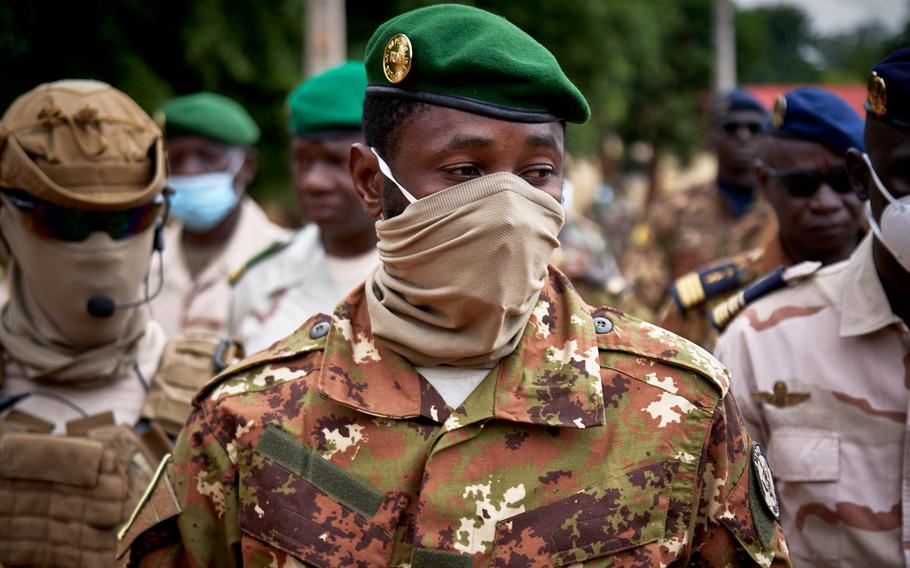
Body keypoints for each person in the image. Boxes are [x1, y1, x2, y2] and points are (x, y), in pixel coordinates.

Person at [120, 5, 790, 567]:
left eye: (537, 174)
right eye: (466, 171)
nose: (507, 204)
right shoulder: (252, 418)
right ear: (370, 181)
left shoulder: (676, 408)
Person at [714, 48, 910, 566]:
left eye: (830, 186)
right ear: (865, 179)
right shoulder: (759, 339)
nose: (823, 203)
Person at [0, 80, 172, 567]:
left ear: (159, 227)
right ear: (6, 220)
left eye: (127, 221)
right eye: (65, 222)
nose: (100, 248)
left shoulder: (216, 395)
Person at [661, 87, 866, 348]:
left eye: (842, 181)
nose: (825, 203)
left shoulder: (898, 283)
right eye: (801, 183)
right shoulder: (706, 306)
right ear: (765, 182)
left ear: (864, 178)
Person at [229, 61, 379, 353]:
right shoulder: (262, 280)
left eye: (336, 162)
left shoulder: (425, 279)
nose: (314, 182)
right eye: (302, 160)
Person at [622, 89, 776, 313]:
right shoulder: (674, 211)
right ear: (711, 137)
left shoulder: (783, 210)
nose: (743, 137)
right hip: (688, 343)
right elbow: (640, 297)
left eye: (754, 129)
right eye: (731, 128)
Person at [150, 92, 288, 337]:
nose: (190, 170)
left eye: (207, 158)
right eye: (177, 159)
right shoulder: (145, 260)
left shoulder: (284, 262)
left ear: (246, 166)